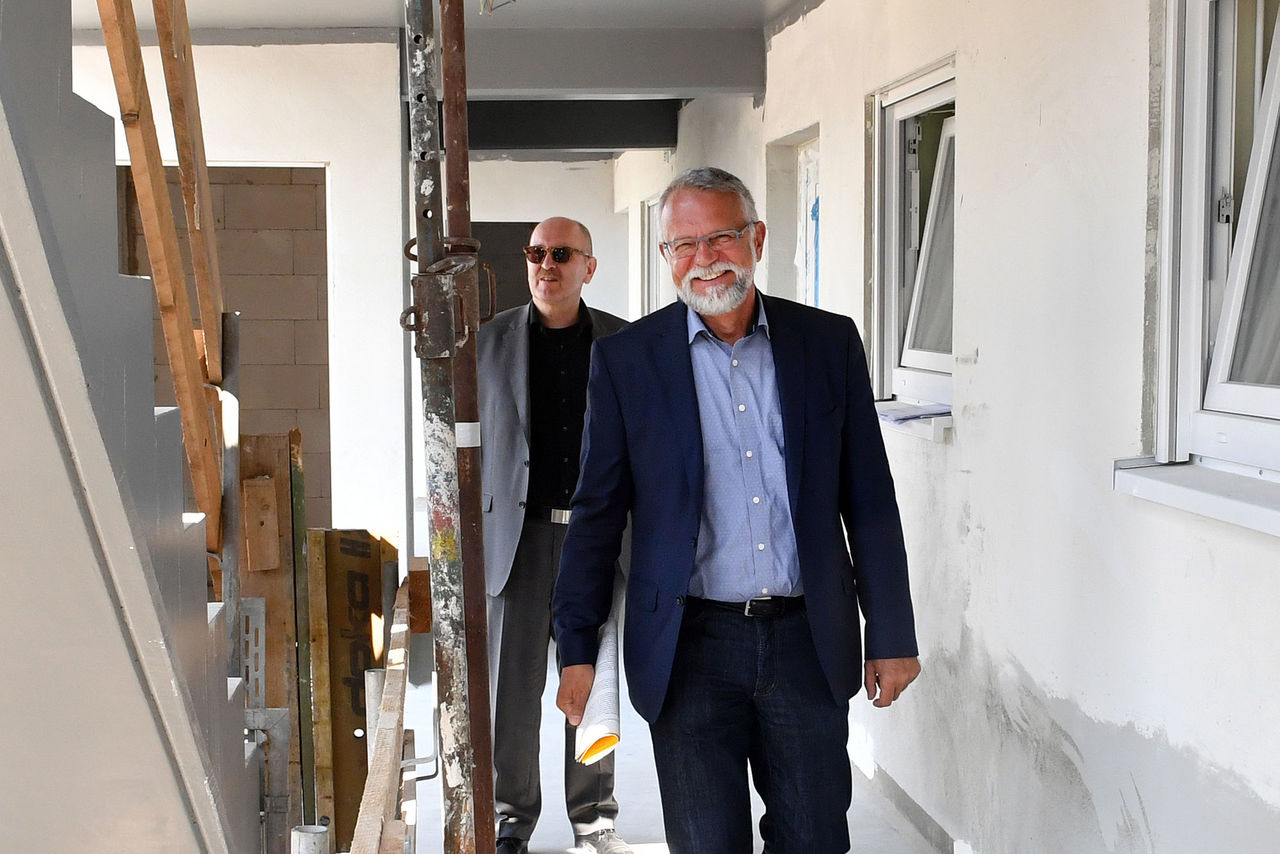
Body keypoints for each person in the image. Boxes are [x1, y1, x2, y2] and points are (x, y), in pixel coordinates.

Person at [553, 168, 920, 852]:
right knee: (705, 843)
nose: (704, 259)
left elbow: (867, 495)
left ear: (756, 237)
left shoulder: (827, 343)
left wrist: (891, 629)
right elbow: (597, 515)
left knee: (812, 839)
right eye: (682, 246)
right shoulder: (627, 361)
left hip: (805, 641)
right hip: (687, 648)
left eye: (720, 237)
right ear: (665, 257)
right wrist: (575, 645)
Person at [478, 217, 632, 854]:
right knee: (512, 690)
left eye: (562, 254)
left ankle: (593, 818)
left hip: (595, 541)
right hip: (518, 540)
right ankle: (511, 817)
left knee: (591, 680)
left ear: (588, 268)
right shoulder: (488, 342)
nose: (547, 264)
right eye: (536, 253)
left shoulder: (624, 344)